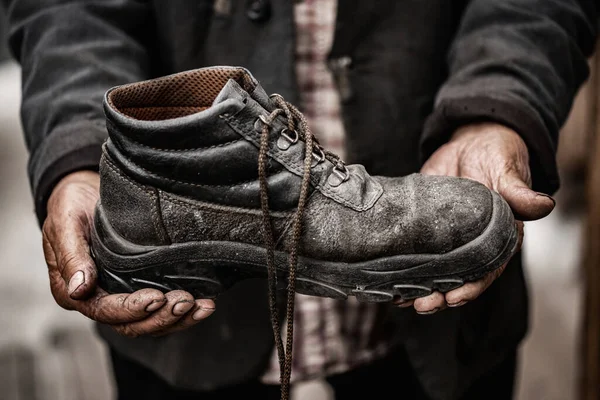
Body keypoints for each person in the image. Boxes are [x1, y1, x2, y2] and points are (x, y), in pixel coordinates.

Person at [1, 0, 596, 399]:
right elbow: (68, 9)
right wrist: (78, 158)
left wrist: (497, 106)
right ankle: (154, 219)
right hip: (195, 348)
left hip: (430, 349)